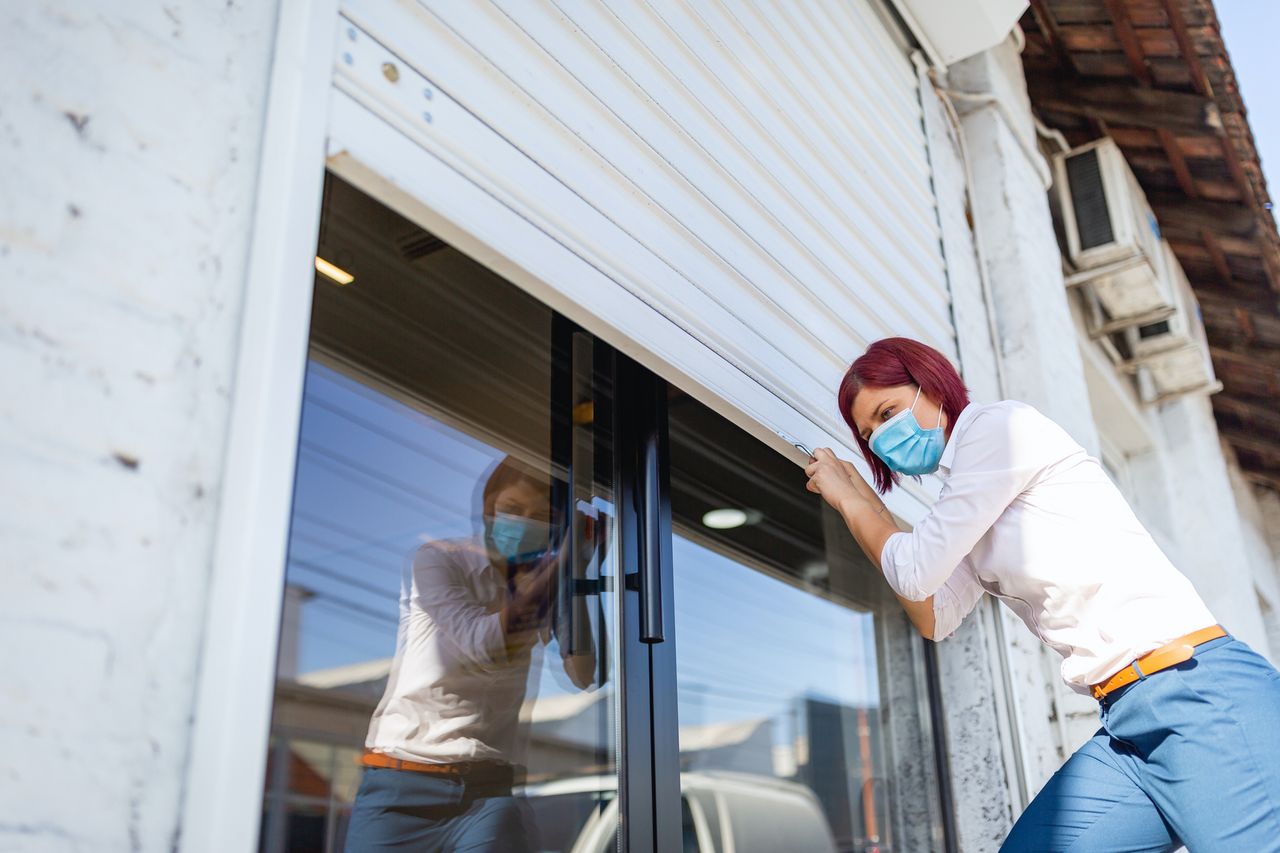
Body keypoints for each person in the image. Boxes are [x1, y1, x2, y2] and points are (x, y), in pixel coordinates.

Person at [803, 336, 1280, 852]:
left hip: (1194, 691)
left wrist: (851, 501)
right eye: (869, 434)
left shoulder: (998, 430)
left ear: (931, 386)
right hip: (1125, 719)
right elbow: (932, 614)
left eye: (888, 411)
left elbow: (914, 570)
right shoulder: (968, 500)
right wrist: (863, 505)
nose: (881, 439)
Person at [344, 455, 599, 852]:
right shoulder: (438, 559)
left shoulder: (544, 580)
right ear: (488, 510)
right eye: (512, 510)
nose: (524, 522)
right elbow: (486, 646)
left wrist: (577, 575)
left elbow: (585, 673)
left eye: (541, 516)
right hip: (402, 788)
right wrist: (562, 565)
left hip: (488, 792)